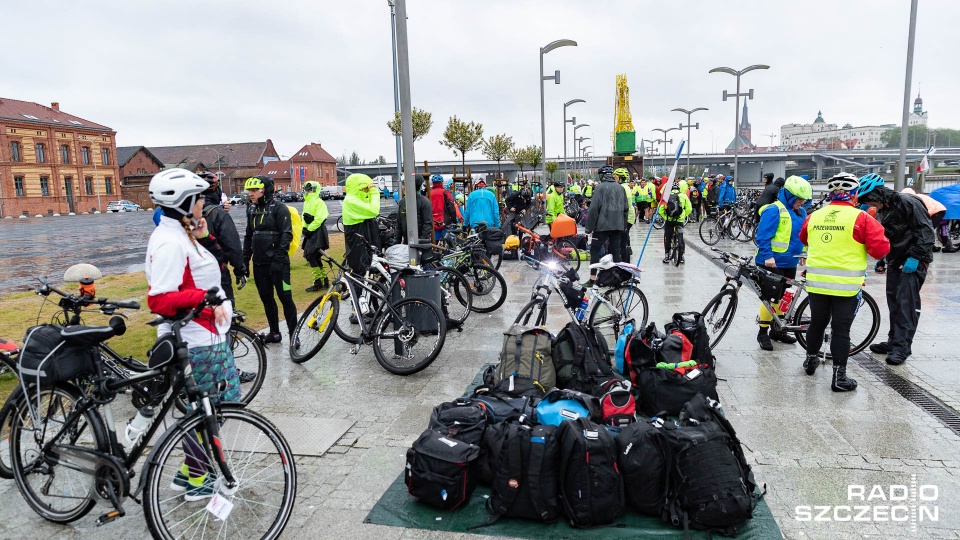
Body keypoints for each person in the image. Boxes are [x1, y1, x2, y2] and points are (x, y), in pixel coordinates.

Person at [146, 169, 240, 499]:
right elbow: (159, 298)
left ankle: (191, 472)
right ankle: (197, 479)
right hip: (196, 339)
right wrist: (204, 300)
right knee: (205, 411)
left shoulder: (183, 234)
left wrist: (204, 238)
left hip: (209, 335)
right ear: (186, 202)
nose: (204, 203)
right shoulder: (170, 242)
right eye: (200, 199)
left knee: (218, 406)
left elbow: (218, 262)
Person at [800, 173, 889, 391]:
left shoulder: (814, 216)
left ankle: (811, 360)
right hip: (846, 287)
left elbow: (804, 238)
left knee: (817, 323)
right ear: (855, 195)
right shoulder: (862, 218)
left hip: (817, 283)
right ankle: (839, 378)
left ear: (831, 194)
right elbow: (880, 250)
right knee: (841, 331)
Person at [857, 173, 935, 366]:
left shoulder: (907, 201)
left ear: (878, 193)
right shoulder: (883, 209)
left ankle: (902, 347)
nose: (869, 204)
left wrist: (915, 258)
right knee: (894, 302)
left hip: (913, 261)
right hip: (895, 260)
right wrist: (883, 259)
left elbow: (926, 232)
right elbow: (889, 235)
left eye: (869, 199)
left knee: (906, 304)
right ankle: (894, 340)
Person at [242, 175, 299, 352]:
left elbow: (286, 235)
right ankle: (274, 332)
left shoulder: (280, 208)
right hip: (259, 264)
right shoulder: (251, 209)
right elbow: (249, 236)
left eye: (254, 190)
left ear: (264, 190)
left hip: (279, 265)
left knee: (285, 299)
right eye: (249, 191)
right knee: (267, 299)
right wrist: (245, 260)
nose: (250, 194)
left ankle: (293, 336)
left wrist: (278, 260)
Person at [754, 176, 812, 350]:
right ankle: (762, 332)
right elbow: (762, 236)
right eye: (799, 199)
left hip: (789, 262)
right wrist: (768, 256)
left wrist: (803, 252)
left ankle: (777, 330)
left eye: (804, 200)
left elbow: (800, 236)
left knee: (785, 297)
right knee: (770, 298)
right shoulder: (774, 210)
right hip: (771, 262)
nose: (801, 203)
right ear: (789, 195)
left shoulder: (801, 212)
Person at [197, 171, 246, 301]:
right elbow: (232, 245)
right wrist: (239, 269)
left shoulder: (187, 212)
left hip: (194, 273)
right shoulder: (219, 215)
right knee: (226, 312)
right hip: (217, 270)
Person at [585, 165, 628, 284]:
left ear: (602, 176)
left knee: (594, 250)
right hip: (617, 226)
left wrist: (588, 228)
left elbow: (594, 209)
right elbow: (626, 208)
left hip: (602, 226)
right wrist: (623, 226)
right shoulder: (621, 188)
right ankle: (618, 278)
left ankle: (592, 279)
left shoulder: (600, 188)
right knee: (616, 251)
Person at [342, 173, 382, 274]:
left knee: (366, 268)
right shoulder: (351, 201)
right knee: (361, 269)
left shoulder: (356, 198)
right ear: (357, 188)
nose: (366, 191)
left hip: (360, 236)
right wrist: (373, 192)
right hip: (357, 239)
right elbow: (374, 210)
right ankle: (359, 289)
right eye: (364, 189)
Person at [901, 187, 956, 252]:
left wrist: (923, 218)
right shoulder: (913, 199)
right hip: (935, 211)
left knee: (927, 229)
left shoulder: (920, 198)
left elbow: (931, 208)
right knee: (928, 229)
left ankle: (935, 246)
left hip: (938, 211)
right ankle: (932, 246)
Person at [301, 181, 330, 292]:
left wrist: (309, 228)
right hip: (311, 232)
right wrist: (304, 227)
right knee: (314, 256)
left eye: (309, 189)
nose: (307, 191)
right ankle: (324, 280)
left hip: (317, 231)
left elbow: (320, 218)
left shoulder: (319, 202)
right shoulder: (306, 202)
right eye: (306, 189)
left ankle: (318, 282)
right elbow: (303, 215)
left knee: (312, 255)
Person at [658, 181, 692, 263]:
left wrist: (666, 217)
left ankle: (667, 255)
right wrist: (683, 216)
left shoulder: (666, 197)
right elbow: (689, 209)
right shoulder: (683, 196)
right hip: (679, 220)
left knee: (668, 237)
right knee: (681, 237)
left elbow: (661, 210)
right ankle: (682, 256)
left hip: (669, 220)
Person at [397, 176, 433, 244]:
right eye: (402, 184)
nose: (402, 187)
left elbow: (428, 224)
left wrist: (421, 242)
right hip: (406, 244)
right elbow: (399, 225)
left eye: (404, 184)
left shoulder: (424, 202)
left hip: (421, 245)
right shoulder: (402, 202)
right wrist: (396, 245)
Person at [615, 168, 636, 259]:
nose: (614, 178)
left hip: (626, 216)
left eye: (615, 177)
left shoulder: (622, 187)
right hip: (629, 216)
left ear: (620, 178)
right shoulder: (626, 186)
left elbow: (621, 204)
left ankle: (624, 259)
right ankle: (628, 250)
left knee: (622, 239)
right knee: (625, 234)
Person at [430, 174, 458, 242]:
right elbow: (451, 207)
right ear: (441, 183)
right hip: (445, 221)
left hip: (433, 222)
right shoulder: (445, 192)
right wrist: (454, 220)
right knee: (448, 242)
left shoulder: (429, 193)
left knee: (435, 243)